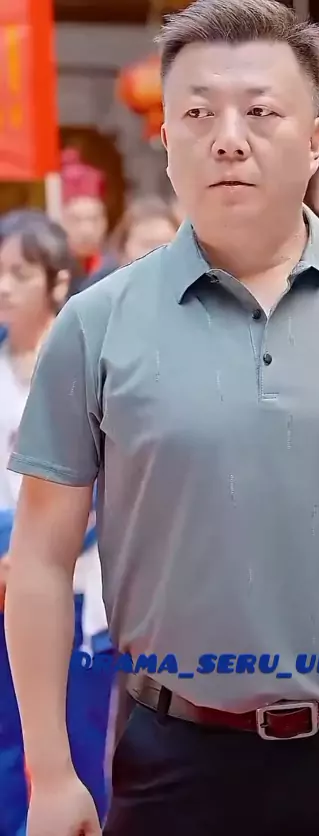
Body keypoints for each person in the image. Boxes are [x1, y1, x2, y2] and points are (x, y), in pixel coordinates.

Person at [4, 2, 319, 835]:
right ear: (165, 140)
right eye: (197, 114)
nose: (229, 138)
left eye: (261, 111)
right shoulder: (95, 323)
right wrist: (50, 773)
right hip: (172, 752)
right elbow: (41, 557)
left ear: (316, 140)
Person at [0, 215, 114, 828]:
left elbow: (100, 482)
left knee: (80, 735)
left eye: (19, 273)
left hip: (76, 576)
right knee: (7, 736)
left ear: (57, 282)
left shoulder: (84, 360)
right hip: (3, 577)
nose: (4, 287)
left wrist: (31, 546)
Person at [76, 194, 179, 294]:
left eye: (166, 243)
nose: (158, 251)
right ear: (124, 248)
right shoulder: (99, 289)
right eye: (147, 244)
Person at [60, 149, 114, 284]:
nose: (87, 230)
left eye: (94, 219)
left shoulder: (117, 270)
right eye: (75, 220)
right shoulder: (53, 274)